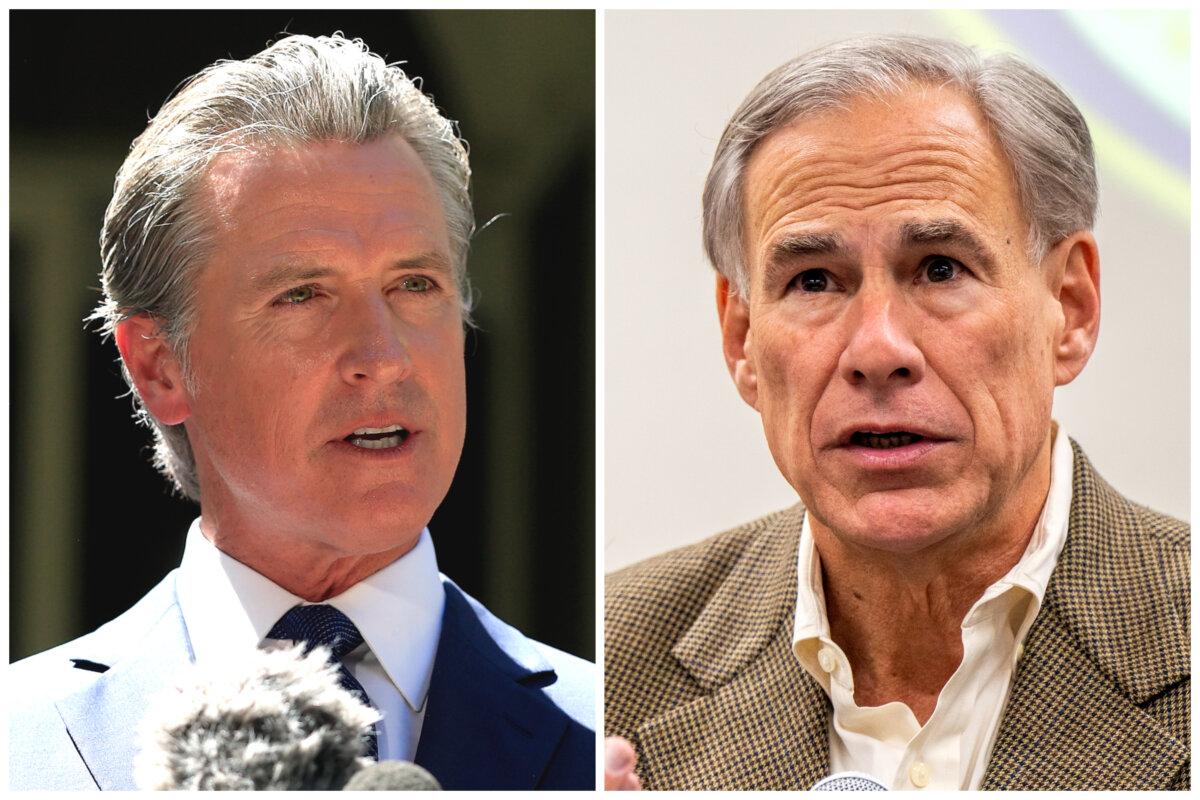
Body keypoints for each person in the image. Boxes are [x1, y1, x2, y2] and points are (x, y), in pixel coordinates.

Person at [9, 33, 593, 790]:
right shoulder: (21, 743)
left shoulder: (605, 739)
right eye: (302, 295)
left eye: (414, 285)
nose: (383, 355)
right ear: (160, 367)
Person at [605, 34, 1188, 791]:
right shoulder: (610, 670)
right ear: (742, 337)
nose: (878, 350)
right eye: (815, 280)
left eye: (940, 269)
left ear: (1069, 309)